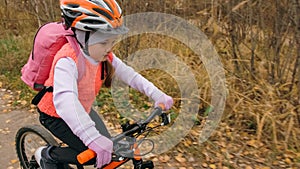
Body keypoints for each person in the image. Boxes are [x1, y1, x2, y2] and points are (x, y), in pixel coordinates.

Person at [33, 0, 174, 169]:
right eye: (103, 43)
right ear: (82, 36)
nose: (109, 48)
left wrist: (157, 95)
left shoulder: (103, 56)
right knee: (91, 152)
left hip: (82, 109)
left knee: (109, 151)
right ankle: (47, 155)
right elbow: (66, 101)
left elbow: (130, 75)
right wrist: (92, 137)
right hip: (55, 115)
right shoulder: (67, 60)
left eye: (112, 42)